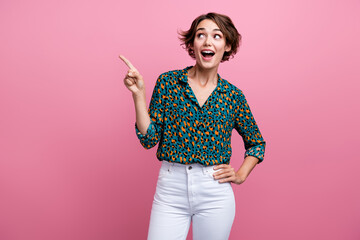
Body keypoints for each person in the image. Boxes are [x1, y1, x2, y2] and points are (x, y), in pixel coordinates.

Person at [119, 12, 266, 240]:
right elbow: (149, 139)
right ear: (193, 44)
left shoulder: (233, 96)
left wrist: (240, 174)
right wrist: (139, 95)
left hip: (215, 191)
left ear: (227, 46)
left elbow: (256, 144)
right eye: (201, 35)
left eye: (217, 36)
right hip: (171, 189)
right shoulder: (168, 83)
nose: (208, 41)